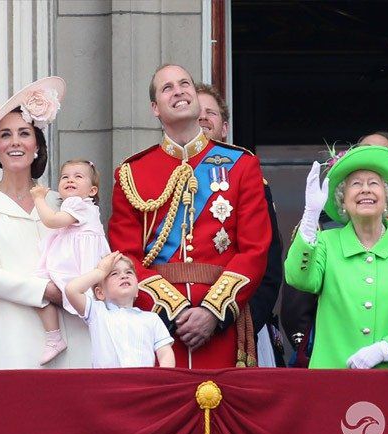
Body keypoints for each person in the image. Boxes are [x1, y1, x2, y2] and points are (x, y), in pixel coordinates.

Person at [108, 64, 272, 369]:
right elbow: (125, 257)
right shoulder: (132, 172)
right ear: (155, 108)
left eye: (185, 83)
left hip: (221, 324)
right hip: (157, 328)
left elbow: (255, 250)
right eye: (167, 87)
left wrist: (212, 311)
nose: (179, 90)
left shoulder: (242, 165)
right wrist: (173, 310)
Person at [0, 76, 91, 369]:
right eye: (5, 135)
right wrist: (47, 291)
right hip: (14, 332)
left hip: (73, 330)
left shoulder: (62, 202)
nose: (15, 142)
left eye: (24, 133)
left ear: (37, 145)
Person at [285, 145, 388, 368]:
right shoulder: (326, 243)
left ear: (387, 197)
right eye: (356, 184)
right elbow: (298, 278)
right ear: (343, 200)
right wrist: (310, 217)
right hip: (332, 381)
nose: (365, 190)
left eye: (374, 183)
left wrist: (386, 349)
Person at [281, 132, 388, 367]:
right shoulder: (323, 233)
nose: (366, 189)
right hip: (332, 362)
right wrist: (310, 348)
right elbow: (297, 293)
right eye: (358, 182)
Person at [196, 82, 284, 367]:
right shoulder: (159, 179)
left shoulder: (249, 177)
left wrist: (243, 321)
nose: (203, 118)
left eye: (211, 113)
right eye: (197, 112)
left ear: (224, 127)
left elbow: (267, 262)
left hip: (240, 321)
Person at [30, 159, 110, 364]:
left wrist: (39, 198)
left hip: (76, 265)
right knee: (38, 289)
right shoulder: (77, 205)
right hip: (72, 260)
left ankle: (53, 336)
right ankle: (54, 337)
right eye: (65, 176)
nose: (70, 180)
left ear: (92, 190)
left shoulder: (78, 204)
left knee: (39, 288)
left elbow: (52, 221)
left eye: (78, 176)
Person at [65, 251, 175, 368]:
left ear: (137, 290)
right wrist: (100, 271)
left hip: (142, 382)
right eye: (114, 273)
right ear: (100, 292)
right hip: (108, 383)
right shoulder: (97, 313)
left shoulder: (151, 318)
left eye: (129, 272)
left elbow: (165, 353)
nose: (124, 276)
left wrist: (163, 382)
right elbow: (72, 290)